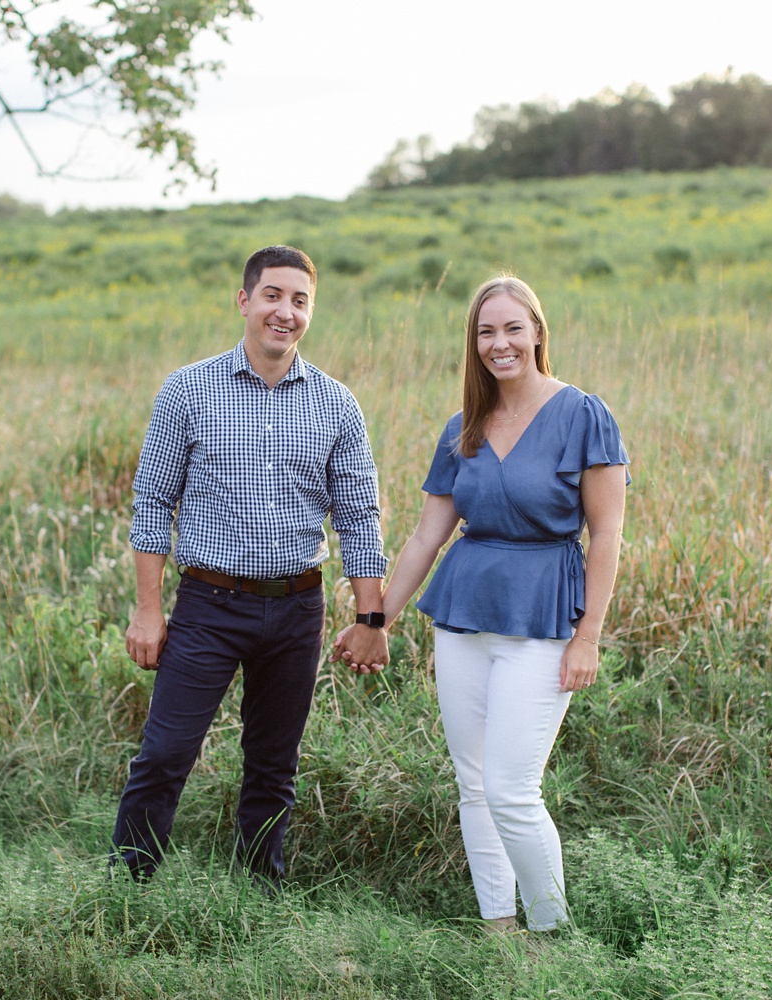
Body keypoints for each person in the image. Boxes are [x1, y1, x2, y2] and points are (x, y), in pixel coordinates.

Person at [335, 274, 628, 932]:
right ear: (474, 343)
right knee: (473, 785)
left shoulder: (583, 415)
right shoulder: (461, 428)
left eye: (512, 328)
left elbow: (606, 535)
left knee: (512, 790)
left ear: (537, 333)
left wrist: (589, 638)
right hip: (464, 620)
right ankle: (499, 929)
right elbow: (424, 537)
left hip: (544, 619)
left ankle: (552, 936)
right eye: (485, 332)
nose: (500, 343)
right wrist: (373, 619)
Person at [115, 245, 390, 886]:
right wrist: (149, 609)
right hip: (209, 606)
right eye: (272, 295)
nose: (284, 312)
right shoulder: (188, 389)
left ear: (310, 311)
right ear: (244, 301)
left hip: (297, 608)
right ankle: (126, 887)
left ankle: (259, 893)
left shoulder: (336, 404)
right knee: (165, 753)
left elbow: (359, 517)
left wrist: (371, 615)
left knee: (273, 764)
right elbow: (153, 502)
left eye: (299, 301)